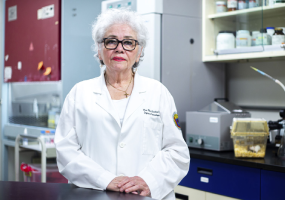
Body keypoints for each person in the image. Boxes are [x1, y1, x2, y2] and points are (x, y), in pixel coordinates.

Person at [55, 9, 190, 200]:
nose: (120, 48)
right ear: (100, 50)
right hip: (95, 194)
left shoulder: (158, 93)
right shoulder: (80, 93)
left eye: (128, 42)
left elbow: (177, 152)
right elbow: (65, 151)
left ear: (139, 51)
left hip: (147, 196)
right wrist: (106, 179)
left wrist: (147, 180)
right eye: (111, 41)